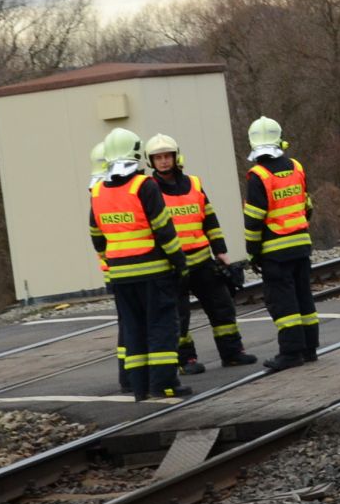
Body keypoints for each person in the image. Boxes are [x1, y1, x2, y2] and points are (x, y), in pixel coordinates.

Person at [88, 127, 189, 401]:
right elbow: (163, 229)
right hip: (153, 272)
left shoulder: (97, 192)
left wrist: (112, 261)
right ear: (136, 152)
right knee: (161, 327)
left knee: (132, 330)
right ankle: (164, 385)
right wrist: (180, 263)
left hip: (121, 275)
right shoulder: (144, 186)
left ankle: (140, 387)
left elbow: (97, 236)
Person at [146, 134, 258, 373]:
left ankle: (232, 353)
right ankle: (186, 360)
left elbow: (210, 220)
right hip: (171, 265)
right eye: (158, 158)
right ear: (151, 161)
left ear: (176, 157)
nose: (164, 161)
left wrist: (221, 252)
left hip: (202, 261)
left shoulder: (194, 184)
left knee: (222, 306)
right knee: (179, 315)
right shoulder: (149, 190)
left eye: (167, 156)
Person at [242, 116, 316, 373]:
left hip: (275, 251)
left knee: (284, 304)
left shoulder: (258, 176)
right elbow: (307, 207)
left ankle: (290, 352)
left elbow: (253, 221)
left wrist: (252, 252)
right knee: (304, 298)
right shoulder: (296, 167)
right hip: (301, 245)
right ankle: (309, 348)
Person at [85, 140, 128, 395]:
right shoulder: (111, 192)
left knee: (128, 324)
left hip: (113, 268)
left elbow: (97, 237)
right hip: (128, 267)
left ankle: (128, 376)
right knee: (136, 325)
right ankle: (133, 376)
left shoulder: (98, 193)